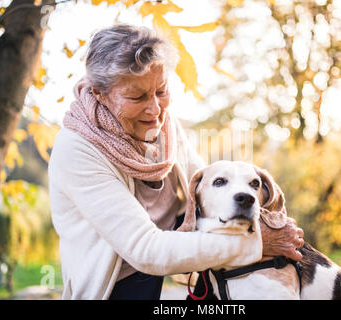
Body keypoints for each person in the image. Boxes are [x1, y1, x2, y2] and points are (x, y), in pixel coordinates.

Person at [48, 24, 304, 300]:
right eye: (137, 97)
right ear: (100, 93)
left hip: (178, 246)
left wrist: (266, 225)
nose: (155, 110)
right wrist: (255, 242)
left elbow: (206, 190)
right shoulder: (76, 149)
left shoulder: (162, 122)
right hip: (121, 282)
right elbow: (146, 249)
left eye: (161, 90)